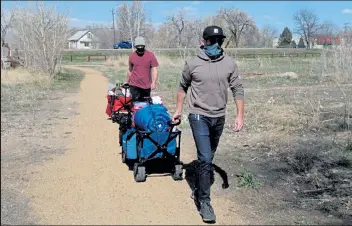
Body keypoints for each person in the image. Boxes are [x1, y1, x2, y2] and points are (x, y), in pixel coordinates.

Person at [172, 25, 244, 223]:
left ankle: (199, 186)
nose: (216, 44)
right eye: (212, 41)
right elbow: (182, 87)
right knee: (204, 158)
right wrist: (178, 110)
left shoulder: (229, 63)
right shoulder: (193, 63)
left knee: (209, 156)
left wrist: (240, 115)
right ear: (204, 42)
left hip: (219, 116)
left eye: (219, 41)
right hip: (198, 115)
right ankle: (204, 201)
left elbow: (238, 88)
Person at [124, 36, 159, 102]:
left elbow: (154, 70)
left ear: (144, 46)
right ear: (136, 47)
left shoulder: (150, 55)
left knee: (145, 104)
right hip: (134, 84)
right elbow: (130, 70)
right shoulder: (132, 56)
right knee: (135, 104)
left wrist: (154, 82)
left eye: (141, 46)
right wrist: (127, 81)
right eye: (138, 46)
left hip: (146, 85)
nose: (140, 48)